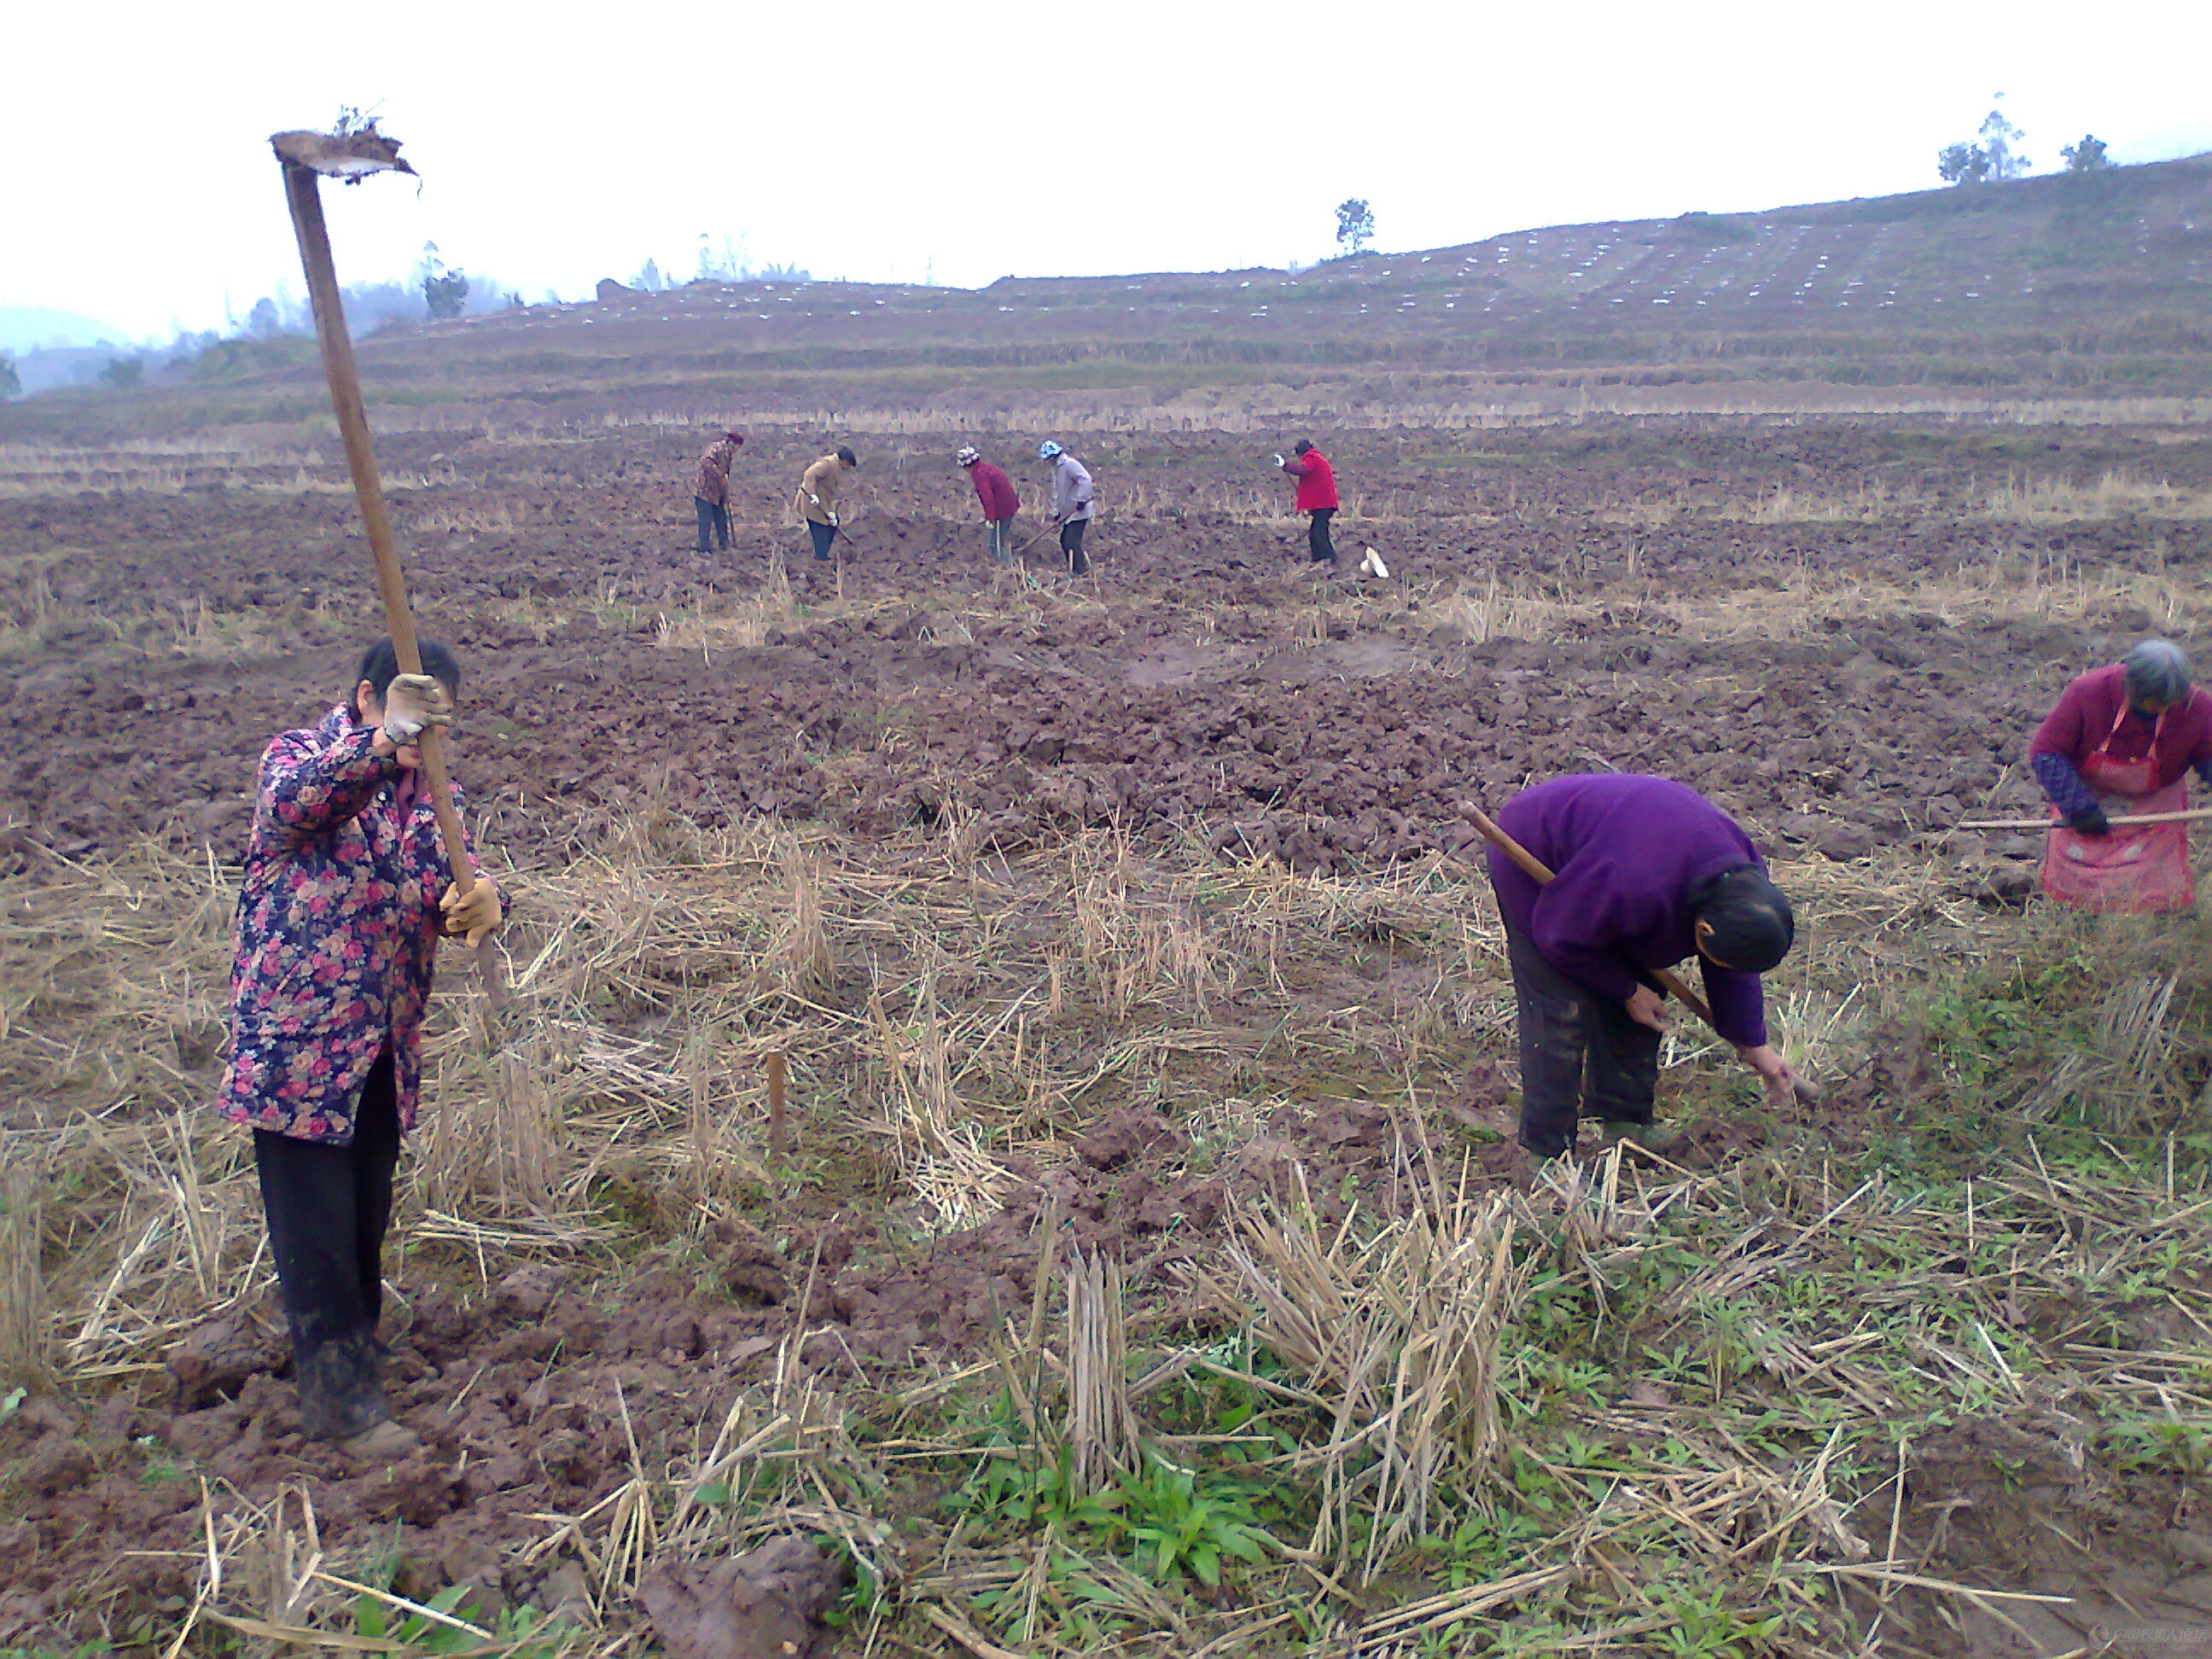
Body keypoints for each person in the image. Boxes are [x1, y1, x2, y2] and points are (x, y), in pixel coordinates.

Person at [218, 637, 505, 1450]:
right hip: (301, 1045)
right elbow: (294, 807)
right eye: (417, 713)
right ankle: (340, 1404)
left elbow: (450, 879)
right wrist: (380, 747)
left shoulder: (426, 799)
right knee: (314, 1221)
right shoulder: (302, 757)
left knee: (364, 1213)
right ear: (369, 698)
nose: (427, 735)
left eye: (439, 719)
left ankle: (355, 1355)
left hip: (382, 1044)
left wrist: (485, 900)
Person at [1485, 773, 1800, 1160]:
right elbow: (1559, 936)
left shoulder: (1745, 888)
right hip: (1535, 848)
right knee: (1561, 1009)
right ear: (1702, 927)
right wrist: (1626, 990)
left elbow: (1732, 967)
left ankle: (1625, 1126)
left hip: (1617, 855)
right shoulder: (1635, 885)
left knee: (1644, 1005)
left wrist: (1754, 1044)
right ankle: (1546, 1153)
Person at [2030, 637, 2212, 912]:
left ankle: (2152, 920)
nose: (2161, 709)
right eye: (2154, 702)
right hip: (2087, 795)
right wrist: (2077, 807)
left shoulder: (2196, 706)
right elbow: (2047, 752)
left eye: (2168, 704)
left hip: (2155, 806)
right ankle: (2076, 918)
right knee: (2079, 874)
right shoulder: (2088, 692)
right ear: (2132, 685)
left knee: (2152, 884)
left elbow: (2209, 756)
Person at [1272, 438, 1339, 565]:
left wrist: (1285, 465)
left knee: (1318, 533)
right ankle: (1323, 559)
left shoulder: (1312, 458)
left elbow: (1301, 470)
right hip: (1325, 503)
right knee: (1317, 532)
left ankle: (1327, 560)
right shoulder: (1317, 458)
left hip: (1323, 504)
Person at [795, 445, 859, 562]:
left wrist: (831, 512)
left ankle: (823, 553)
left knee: (833, 524)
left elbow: (829, 492)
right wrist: (812, 494)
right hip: (812, 501)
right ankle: (821, 558)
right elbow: (809, 475)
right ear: (844, 461)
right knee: (821, 528)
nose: (848, 468)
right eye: (848, 466)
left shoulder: (838, 468)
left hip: (823, 501)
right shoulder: (827, 464)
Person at [1039, 440, 1093, 576]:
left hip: (1079, 511)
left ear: (1054, 456)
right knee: (1064, 539)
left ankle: (1080, 570)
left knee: (1071, 540)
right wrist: (1057, 513)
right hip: (1068, 513)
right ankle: (1074, 567)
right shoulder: (1056, 470)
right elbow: (1058, 493)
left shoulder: (1070, 464)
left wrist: (1081, 499)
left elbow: (1085, 479)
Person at [958, 446, 1020, 563]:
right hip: (1009, 505)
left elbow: (988, 497)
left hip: (1003, 509)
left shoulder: (979, 474)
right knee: (998, 541)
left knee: (995, 545)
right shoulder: (986, 467)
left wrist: (990, 518)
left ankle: (1007, 566)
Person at [692, 429, 744, 553]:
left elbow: (725, 474)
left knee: (721, 518)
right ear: (732, 444)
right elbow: (706, 462)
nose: (737, 450)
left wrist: (724, 490)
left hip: (717, 492)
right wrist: (719, 474)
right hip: (704, 490)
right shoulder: (716, 449)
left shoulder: (728, 455)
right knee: (705, 519)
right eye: (737, 447)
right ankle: (704, 547)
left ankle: (725, 544)